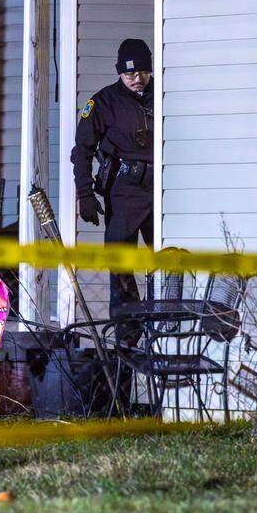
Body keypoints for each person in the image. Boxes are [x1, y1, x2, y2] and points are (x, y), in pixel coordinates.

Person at [70, 38, 154, 330]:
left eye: (142, 71)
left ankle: (160, 325)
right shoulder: (103, 102)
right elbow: (82, 152)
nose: (136, 79)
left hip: (159, 190)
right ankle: (127, 338)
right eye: (130, 73)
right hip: (124, 191)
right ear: (119, 72)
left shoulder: (163, 94)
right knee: (120, 264)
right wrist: (85, 195)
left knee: (168, 263)